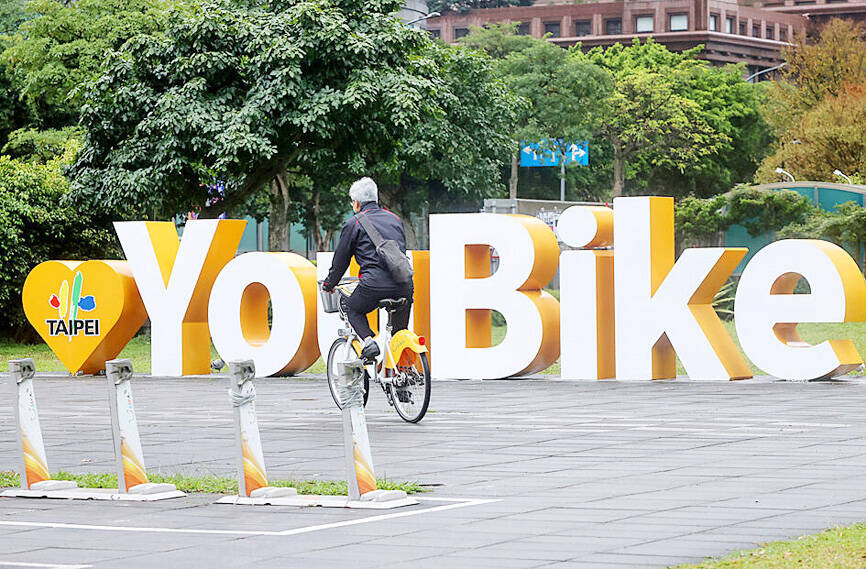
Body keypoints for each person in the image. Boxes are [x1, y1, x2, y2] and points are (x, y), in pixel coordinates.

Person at [321, 177, 413, 361]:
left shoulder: (354, 223)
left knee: (351, 308)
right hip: (404, 284)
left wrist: (329, 284)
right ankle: (403, 371)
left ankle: (369, 341)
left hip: (373, 286)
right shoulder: (395, 219)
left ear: (356, 203)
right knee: (399, 334)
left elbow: (341, 260)